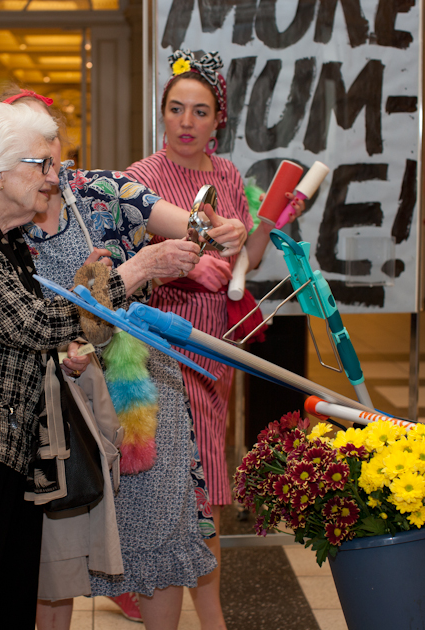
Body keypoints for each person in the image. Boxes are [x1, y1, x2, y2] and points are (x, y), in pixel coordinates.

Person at [0, 102, 201, 630]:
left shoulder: (5, 239)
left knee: (10, 601)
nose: (53, 175)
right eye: (39, 164)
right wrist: (134, 272)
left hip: (10, 447)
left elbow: (48, 331)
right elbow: (36, 325)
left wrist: (90, 313)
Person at [0, 88, 246, 630]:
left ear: (62, 143)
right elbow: (22, 320)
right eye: (26, 147)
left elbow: (190, 227)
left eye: (48, 143)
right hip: (57, 406)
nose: (43, 161)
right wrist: (133, 272)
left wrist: (221, 231)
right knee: (54, 554)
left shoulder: (103, 191)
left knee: (155, 542)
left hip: (142, 400)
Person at [124, 50, 303, 629]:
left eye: (199, 111)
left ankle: (207, 613)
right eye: (175, 108)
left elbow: (243, 263)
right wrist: (182, 267)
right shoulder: (139, 180)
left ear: (217, 118)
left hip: (214, 347)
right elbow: (125, 269)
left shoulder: (225, 175)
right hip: (160, 346)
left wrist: (264, 221)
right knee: (179, 485)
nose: (186, 122)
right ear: (162, 113)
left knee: (206, 487)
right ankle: (191, 614)